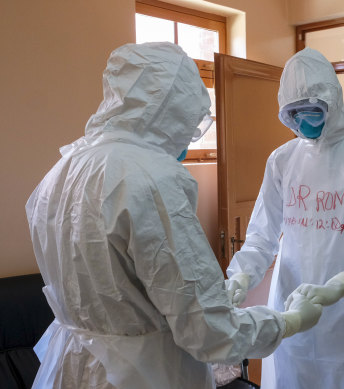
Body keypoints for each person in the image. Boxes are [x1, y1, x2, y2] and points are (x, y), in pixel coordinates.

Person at [25, 42, 323, 389]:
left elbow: (120, 283)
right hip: (142, 375)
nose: (189, 134)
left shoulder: (64, 169)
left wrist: (218, 292)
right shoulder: (151, 178)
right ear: (171, 110)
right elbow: (209, 332)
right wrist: (286, 322)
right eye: (189, 119)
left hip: (70, 367)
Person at [225, 48, 344, 389]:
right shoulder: (282, 160)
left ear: (333, 101)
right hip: (293, 308)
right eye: (293, 113)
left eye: (311, 110)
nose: (302, 121)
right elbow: (261, 236)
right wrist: (240, 277)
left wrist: (338, 286)